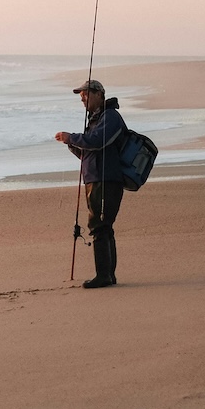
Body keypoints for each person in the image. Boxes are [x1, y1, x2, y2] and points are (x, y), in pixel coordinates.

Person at [54, 78, 126, 289]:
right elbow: (89, 153)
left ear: (98, 94)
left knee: (100, 226)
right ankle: (108, 275)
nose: (82, 98)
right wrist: (71, 144)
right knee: (103, 226)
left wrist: (72, 137)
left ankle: (103, 275)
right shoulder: (96, 119)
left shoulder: (111, 117)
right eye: (81, 95)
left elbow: (97, 141)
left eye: (85, 94)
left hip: (106, 180)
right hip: (95, 179)